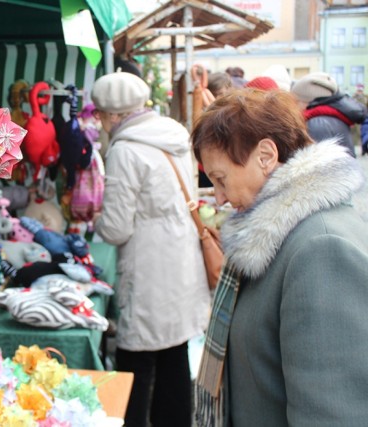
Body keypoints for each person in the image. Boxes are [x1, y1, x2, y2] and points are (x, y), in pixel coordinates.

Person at [192, 88, 368, 426]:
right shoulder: (277, 236)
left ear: (266, 155)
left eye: (220, 179)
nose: (220, 197)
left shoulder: (321, 249)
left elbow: (332, 413)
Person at [90, 71, 211, 427]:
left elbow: (115, 228)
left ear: (113, 115)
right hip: (180, 262)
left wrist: (94, 216)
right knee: (173, 354)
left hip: (147, 268)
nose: (98, 121)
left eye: (100, 114)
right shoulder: (174, 136)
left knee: (136, 361)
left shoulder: (125, 150)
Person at [291, 71, 367, 158]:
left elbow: (316, 166)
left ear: (307, 101)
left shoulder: (317, 124)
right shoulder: (331, 118)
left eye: (296, 102)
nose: (294, 107)